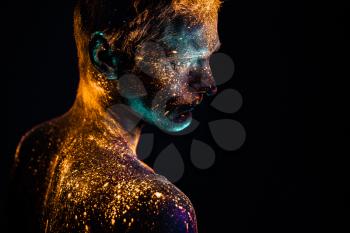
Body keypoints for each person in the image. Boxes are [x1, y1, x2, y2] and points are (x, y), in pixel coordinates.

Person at [11, 0, 221, 232]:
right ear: (106, 57)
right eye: (181, 61)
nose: (209, 84)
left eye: (209, 57)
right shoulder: (157, 207)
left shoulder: (36, 145)